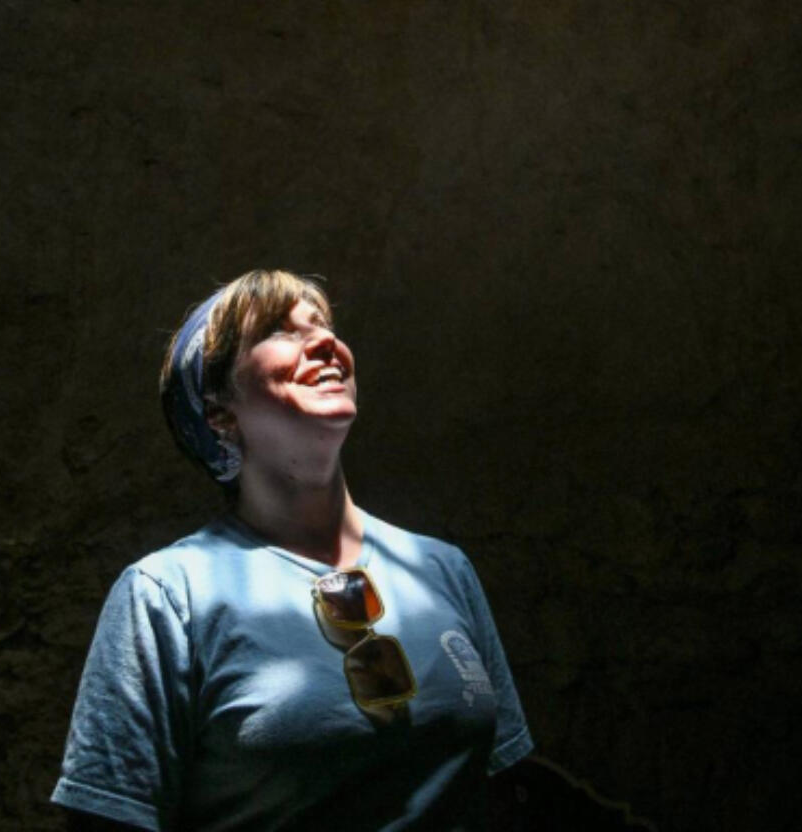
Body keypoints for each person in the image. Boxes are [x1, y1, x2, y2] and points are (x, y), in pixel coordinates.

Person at [51, 268, 536, 830]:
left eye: (325, 325)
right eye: (280, 331)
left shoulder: (443, 569)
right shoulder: (167, 596)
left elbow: (506, 791)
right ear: (219, 412)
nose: (326, 341)